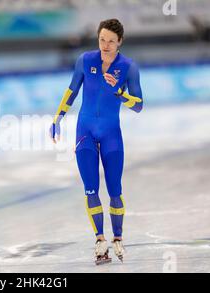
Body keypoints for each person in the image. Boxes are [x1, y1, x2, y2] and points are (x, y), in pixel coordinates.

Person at [49, 19, 143, 265]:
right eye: (102, 39)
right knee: (90, 188)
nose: (105, 45)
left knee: (114, 190)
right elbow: (72, 91)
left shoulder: (129, 67)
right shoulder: (85, 60)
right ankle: (100, 240)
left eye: (111, 41)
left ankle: (118, 237)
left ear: (120, 42)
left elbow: (139, 106)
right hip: (85, 133)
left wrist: (120, 93)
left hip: (112, 134)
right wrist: (57, 117)